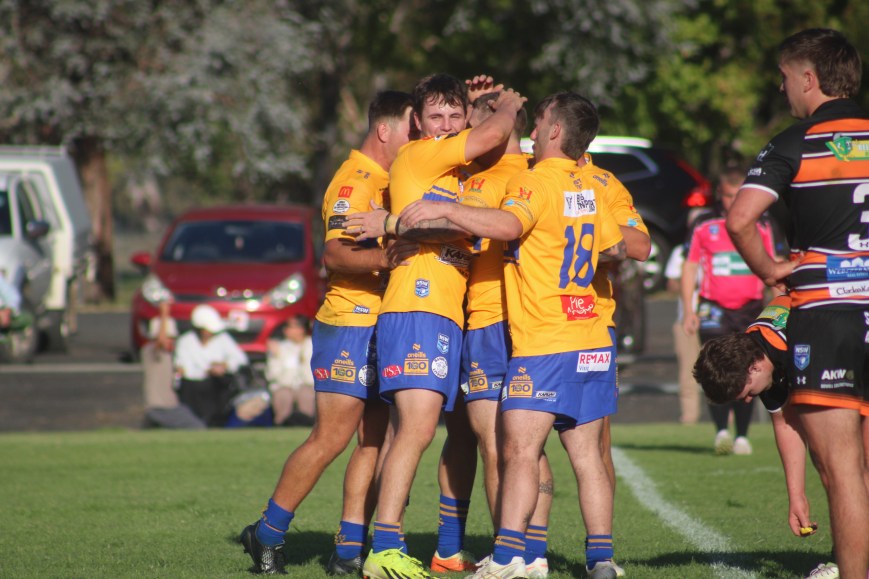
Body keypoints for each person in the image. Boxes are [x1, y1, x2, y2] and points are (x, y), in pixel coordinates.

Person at [397, 91, 626, 579]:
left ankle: (506, 561)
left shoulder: (533, 181)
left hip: (542, 337)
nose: (533, 129)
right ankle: (602, 561)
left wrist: (454, 212)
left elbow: (505, 223)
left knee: (518, 452)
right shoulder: (588, 185)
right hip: (589, 330)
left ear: (556, 131)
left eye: (540, 121)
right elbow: (620, 246)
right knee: (587, 457)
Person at [341, 74, 525, 579]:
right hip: (417, 309)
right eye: (435, 117)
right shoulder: (421, 156)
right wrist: (508, 105)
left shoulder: (451, 171)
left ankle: (439, 549)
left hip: (447, 314)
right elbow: (491, 135)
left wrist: (399, 221)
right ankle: (384, 547)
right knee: (414, 430)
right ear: (416, 124)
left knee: (439, 432)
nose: (444, 126)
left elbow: (456, 215)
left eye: (453, 116)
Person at [239, 90, 416, 576]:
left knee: (375, 442)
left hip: (386, 322)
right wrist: (390, 258)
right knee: (331, 437)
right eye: (411, 128)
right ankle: (268, 534)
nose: (417, 137)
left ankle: (347, 551)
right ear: (385, 130)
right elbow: (334, 256)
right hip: (349, 323)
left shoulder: (390, 179)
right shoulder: (353, 181)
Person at [725, 28, 868, 579]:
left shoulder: (794, 142)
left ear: (809, 79)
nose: (783, 90)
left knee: (844, 469)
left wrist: (768, 270)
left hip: (829, 314)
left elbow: (740, 219)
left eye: (785, 79)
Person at [694, 293, 869, 579]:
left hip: (855, 353)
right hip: (845, 348)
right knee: (832, 463)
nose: (749, 401)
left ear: (755, 367)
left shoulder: (798, 348)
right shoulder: (755, 347)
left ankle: (855, 562)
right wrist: (796, 495)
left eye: (747, 393)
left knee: (851, 465)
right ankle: (847, 556)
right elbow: (785, 421)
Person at [681, 166, 776, 455]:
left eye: (738, 195)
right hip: (714, 308)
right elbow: (690, 265)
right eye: (727, 196)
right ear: (719, 196)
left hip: (750, 308)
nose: (732, 201)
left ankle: (743, 436)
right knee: (715, 366)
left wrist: (778, 305)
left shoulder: (762, 225)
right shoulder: (703, 226)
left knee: (746, 367)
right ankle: (721, 430)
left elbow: (775, 265)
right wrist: (689, 309)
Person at [173, 304, 249, 427]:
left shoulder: (223, 339)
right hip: (193, 387)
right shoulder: (186, 342)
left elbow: (240, 359)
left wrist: (225, 365)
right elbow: (184, 368)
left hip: (217, 386)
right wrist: (207, 370)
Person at [141, 301, 205, 429]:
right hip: (161, 407)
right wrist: (164, 313)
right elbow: (160, 341)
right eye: (169, 337)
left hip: (169, 404)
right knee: (197, 427)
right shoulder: (151, 351)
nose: (171, 341)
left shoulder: (168, 355)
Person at [665, 244, 703, 424]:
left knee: (724, 369)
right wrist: (688, 278)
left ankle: (728, 422)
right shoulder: (681, 251)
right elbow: (671, 285)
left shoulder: (723, 245)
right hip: (686, 320)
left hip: (717, 318)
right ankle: (689, 419)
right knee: (688, 373)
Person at [265, 314, 315, 426]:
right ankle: (281, 425)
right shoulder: (280, 347)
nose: (286, 330)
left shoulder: (313, 345)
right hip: (284, 385)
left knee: (306, 394)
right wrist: (275, 356)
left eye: (291, 327)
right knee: (283, 395)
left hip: (308, 385)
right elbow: (272, 375)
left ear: (301, 329)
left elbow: (312, 376)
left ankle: (307, 425)